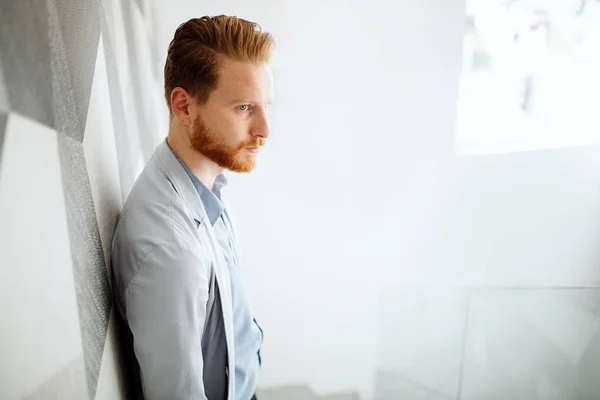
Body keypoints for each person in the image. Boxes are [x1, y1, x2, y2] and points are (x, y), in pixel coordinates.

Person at [110, 15, 274, 400]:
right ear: (183, 106)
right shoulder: (171, 251)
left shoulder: (208, 184)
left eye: (266, 106)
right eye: (244, 108)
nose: (265, 129)